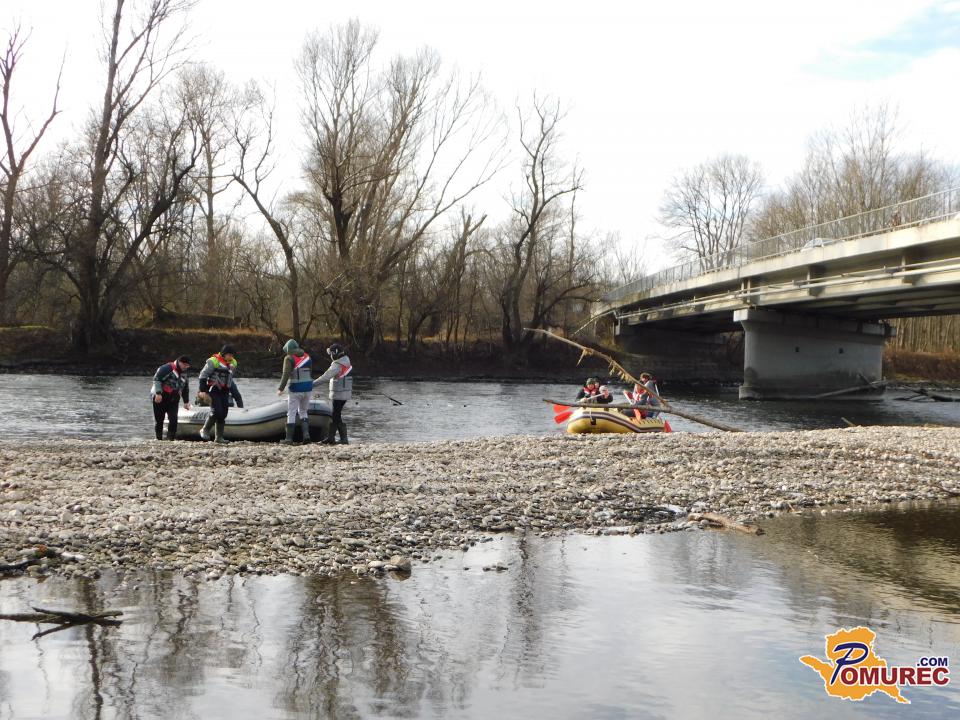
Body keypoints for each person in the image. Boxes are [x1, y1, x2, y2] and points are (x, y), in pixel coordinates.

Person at [196, 345, 239, 444]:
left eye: (232, 355)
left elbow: (230, 376)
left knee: (223, 413)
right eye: (229, 355)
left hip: (225, 391)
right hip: (213, 390)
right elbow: (203, 375)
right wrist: (203, 391)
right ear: (223, 354)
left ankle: (219, 438)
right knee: (217, 411)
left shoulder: (234, 362)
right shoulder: (213, 361)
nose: (231, 357)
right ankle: (204, 430)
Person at [313, 342, 352, 444]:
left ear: (335, 353)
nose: (330, 356)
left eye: (331, 353)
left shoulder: (337, 365)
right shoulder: (347, 361)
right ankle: (332, 438)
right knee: (336, 414)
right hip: (345, 393)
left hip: (338, 394)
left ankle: (343, 439)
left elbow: (325, 377)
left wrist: (312, 384)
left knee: (336, 415)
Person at [277, 338, 313, 444]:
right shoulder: (307, 356)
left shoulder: (289, 358)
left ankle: (288, 439)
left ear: (288, 349)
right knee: (303, 411)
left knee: (291, 413)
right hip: (308, 388)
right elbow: (310, 372)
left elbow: (286, 374)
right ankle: (306, 436)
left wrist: (280, 388)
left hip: (296, 389)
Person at [150, 356, 191, 440]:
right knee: (159, 419)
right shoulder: (167, 368)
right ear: (179, 362)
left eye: (187, 366)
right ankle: (158, 439)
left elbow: (185, 388)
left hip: (174, 398)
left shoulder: (185, 373)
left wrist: (186, 402)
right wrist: (158, 393)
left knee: (173, 419)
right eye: (184, 365)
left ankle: (170, 439)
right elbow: (157, 380)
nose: (186, 367)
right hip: (160, 396)